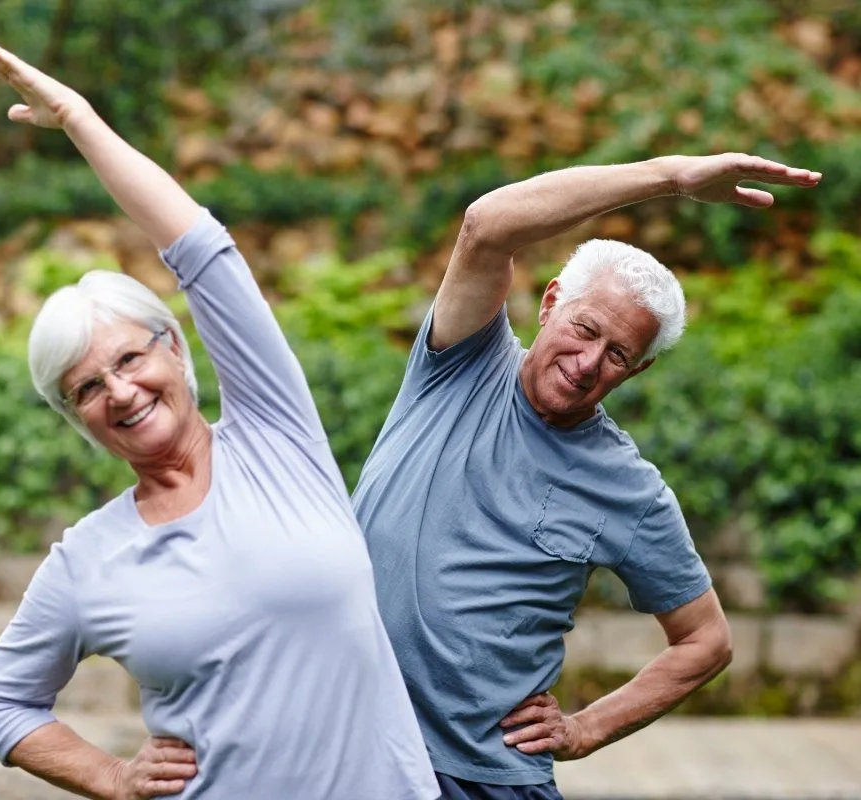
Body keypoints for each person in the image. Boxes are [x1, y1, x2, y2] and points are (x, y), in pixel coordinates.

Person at [0, 31, 440, 800]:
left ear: (177, 352)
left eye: (129, 360)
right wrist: (111, 775)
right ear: (76, 418)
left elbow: (203, 252)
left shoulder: (276, 437)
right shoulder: (88, 562)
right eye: (85, 389)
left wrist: (80, 120)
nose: (118, 392)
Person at [352, 153, 822, 799]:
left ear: (637, 371)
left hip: (481, 778)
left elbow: (706, 642)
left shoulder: (629, 488)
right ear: (551, 304)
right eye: (586, 328)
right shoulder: (463, 361)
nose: (587, 363)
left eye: (618, 354)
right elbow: (487, 223)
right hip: (350, 745)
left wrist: (583, 730)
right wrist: (670, 177)